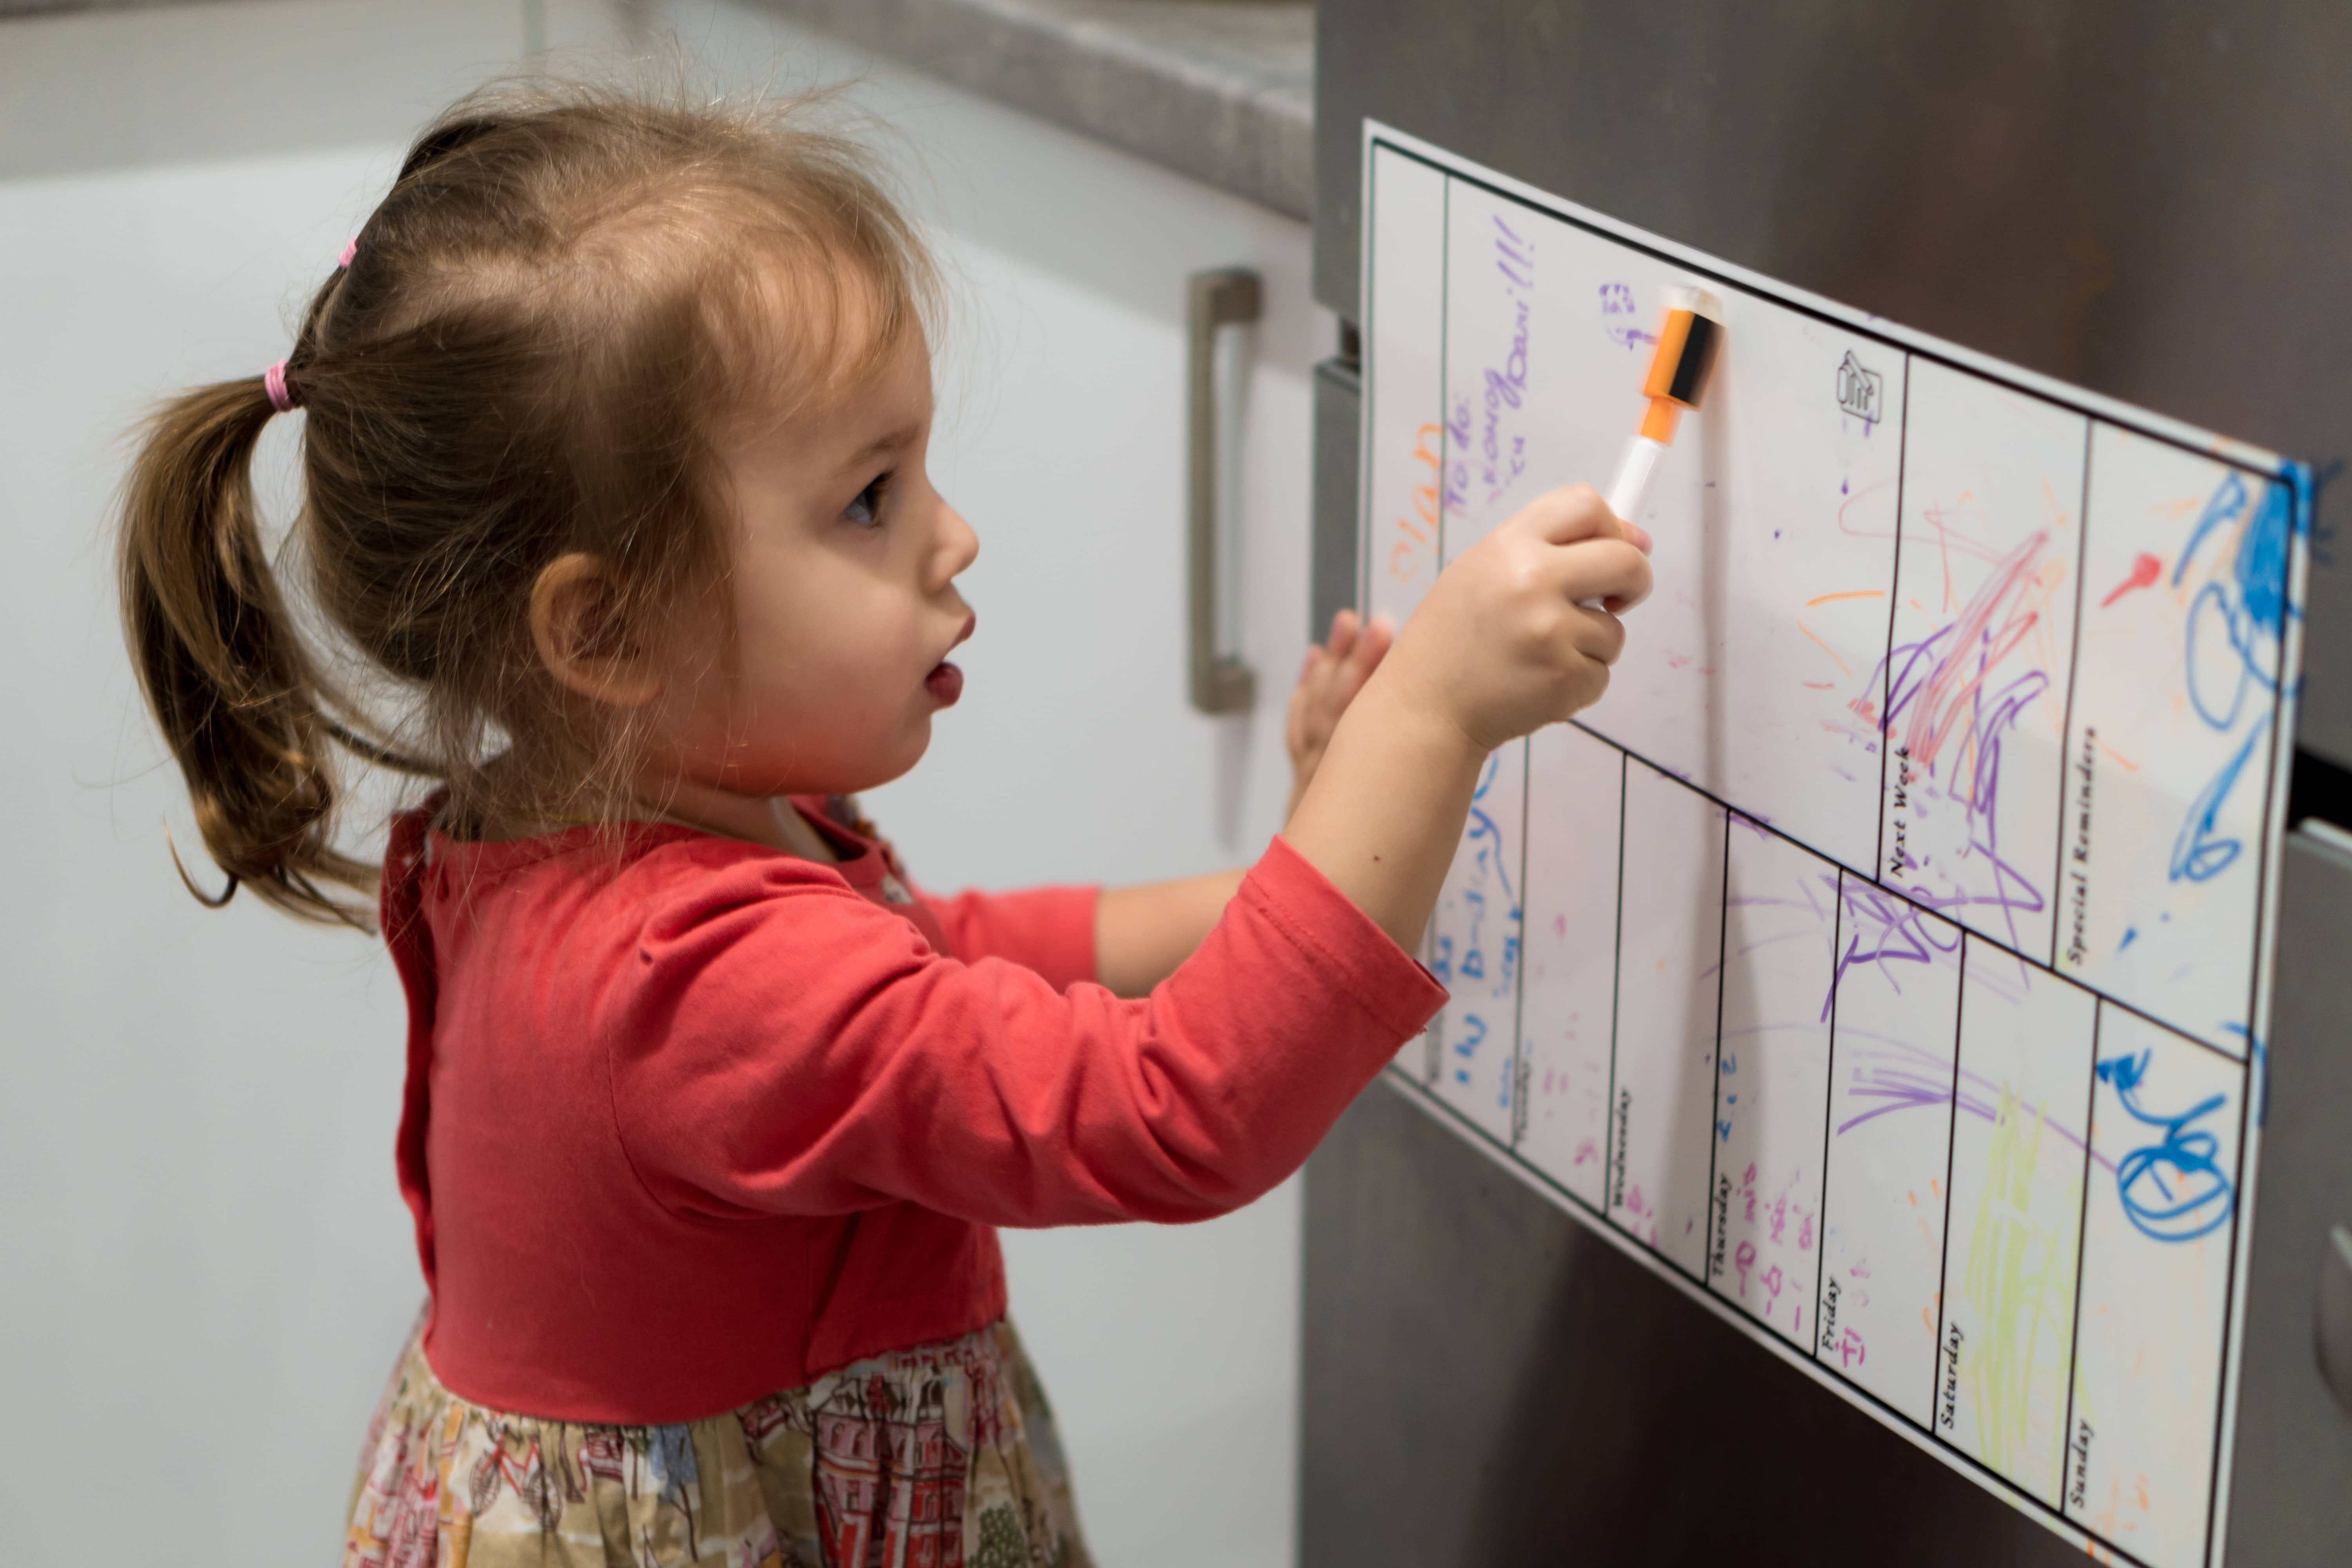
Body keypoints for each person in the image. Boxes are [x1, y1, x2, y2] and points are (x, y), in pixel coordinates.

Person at [115, 80, 1651, 1568]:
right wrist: (1427, 720)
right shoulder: (689, 980)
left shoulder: (579, 828)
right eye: (869, 497)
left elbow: (938, 963)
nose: (954, 530)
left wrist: (1294, 877)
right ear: (608, 633)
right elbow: (1179, 1113)